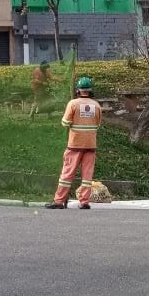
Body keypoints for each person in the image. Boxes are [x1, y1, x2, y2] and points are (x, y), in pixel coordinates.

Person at [47, 76, 102, 210]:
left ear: (78, 90)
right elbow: (98, 124)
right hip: (90, 145)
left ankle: (59, 201)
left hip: (75, 144)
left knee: (67, 174)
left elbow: (65, 122)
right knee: (87, 176)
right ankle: (84, 202)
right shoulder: (96, 105)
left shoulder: (73, 104)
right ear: (90, 91)